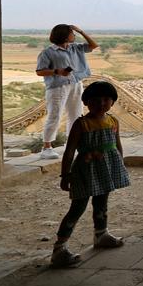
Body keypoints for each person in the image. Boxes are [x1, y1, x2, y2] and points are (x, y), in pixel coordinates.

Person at [51, 81, 130, 268]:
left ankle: (101, 234)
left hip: (107, 169)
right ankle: (59, 249)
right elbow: (70, 151)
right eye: (95, 100)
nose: (101, 103)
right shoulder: (81, 124)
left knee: (102, 202)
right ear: (86, 102)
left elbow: (117, 145)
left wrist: (120, 163)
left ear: (112, 102)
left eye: (106, 99)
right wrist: (65, 175)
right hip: (85, 171)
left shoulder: (113, 121)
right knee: (77, 208)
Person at [35, 24, 98, 159]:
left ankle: (73, 143)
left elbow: (93, 45)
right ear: (64, 35)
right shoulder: (48, 52)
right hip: (58, 87)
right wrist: (57, 71)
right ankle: (46, 147)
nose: (74, 35)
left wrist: (80, 31)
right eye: (72, 33)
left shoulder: (76, 48)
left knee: (76, 115)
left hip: (75, 84)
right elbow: (39, 71)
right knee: (55, 115)